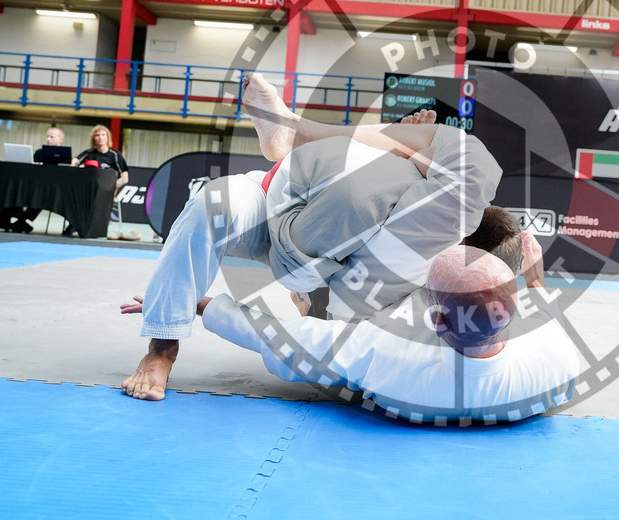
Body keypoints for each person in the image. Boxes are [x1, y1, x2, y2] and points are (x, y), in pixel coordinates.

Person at [122, 74, 503, 400]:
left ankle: (308, 136)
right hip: (275, 196)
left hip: (311, 264)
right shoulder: (442, 210)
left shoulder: (420, 302)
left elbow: (320, 346)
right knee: (212, 203)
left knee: (326, 306)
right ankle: (161, 347)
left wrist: (206, 305)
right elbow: (468, 169)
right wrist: (411, 149)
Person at [124, 241, 580, 423]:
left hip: (369, 371)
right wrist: (536, 282)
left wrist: (187, 303)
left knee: (318, 326)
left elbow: (272, 334)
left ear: (437, 323)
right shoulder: (554, 361)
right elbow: (542, 312)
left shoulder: (386, 355)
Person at [65, 124, 129, 236]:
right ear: (93, 138)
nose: (100, 137)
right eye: (97, 135)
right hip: (88, 191)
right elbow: (75, 161)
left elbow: (124, 178)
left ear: (108, 138)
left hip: (107, 192)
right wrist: (74, 164)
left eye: (103, 135)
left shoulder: (115, 155)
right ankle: (75, 224)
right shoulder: (89, 153)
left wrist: (111, 186)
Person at [4, 125, 65, 233]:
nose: (48, 139)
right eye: (47, 136)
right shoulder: (39, 153)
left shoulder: (64, 155)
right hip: (35, 185)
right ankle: (20, 219)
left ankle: (21, 220)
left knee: (41, 196)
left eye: (52, 137)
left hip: (51, 189)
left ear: (60, 139)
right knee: (15, 189)